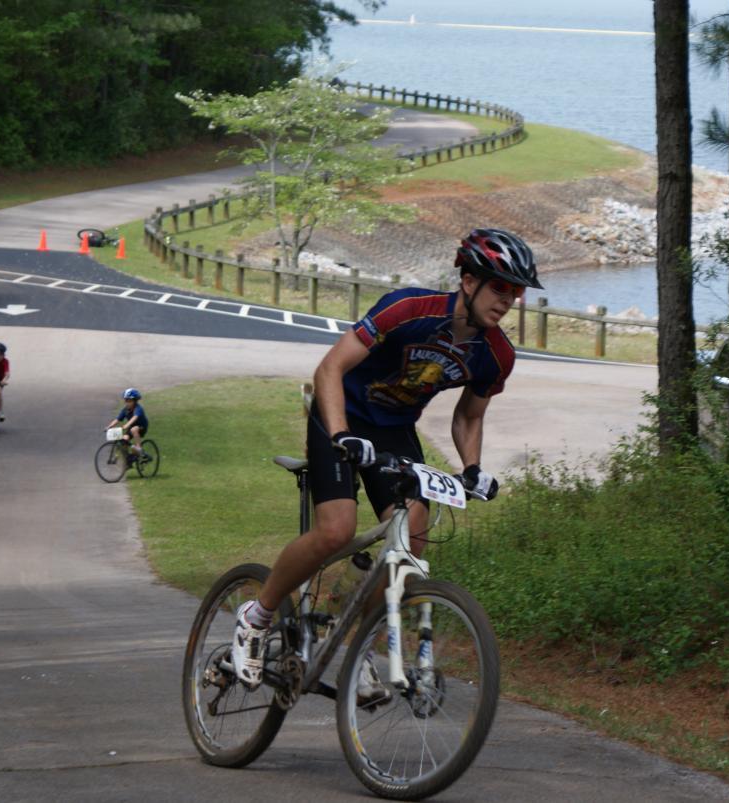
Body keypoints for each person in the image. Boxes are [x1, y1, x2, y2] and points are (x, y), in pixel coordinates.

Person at [231, 227, 542, 693]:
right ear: (469, 280)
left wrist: (472, 469)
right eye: (500, 287)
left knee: (411, 541)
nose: (507, 301)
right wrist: (340, 435)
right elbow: (330, 368)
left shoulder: (496, 355)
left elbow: (469, 417)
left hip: (393, 429)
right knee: (336, 529)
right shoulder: (408, 310)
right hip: (340, 412)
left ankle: (356, 646)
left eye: (515, 293)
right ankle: (256, 616)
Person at [105, 388, 151, 463]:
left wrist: (126, 425)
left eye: (129, 401)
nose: (127, 403)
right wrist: (109, 426)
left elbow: (135, 417)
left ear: (135, 401)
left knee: (134, 429)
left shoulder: (138, 409)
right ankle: (127, 460)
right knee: (124, 440)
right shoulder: (125, 410)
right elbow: (118, 419)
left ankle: (139, 449)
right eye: (126, 400)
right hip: (131, 427)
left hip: (141, 427)